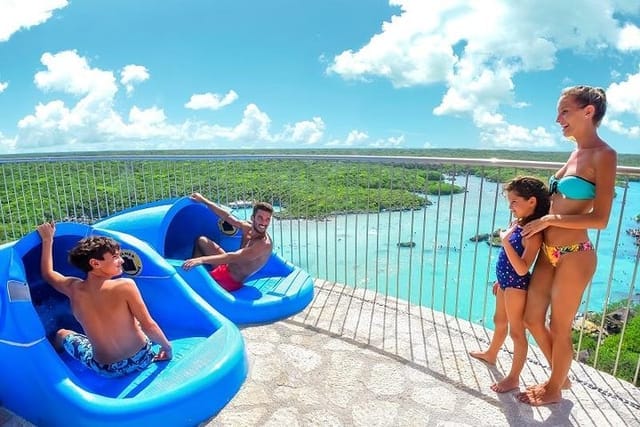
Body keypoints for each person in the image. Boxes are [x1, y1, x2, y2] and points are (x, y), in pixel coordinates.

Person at [517, 85, 617, 406]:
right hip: (548, 253)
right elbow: (556, 201)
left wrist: (549, 220)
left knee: (559, 327)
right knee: (532, 318)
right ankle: (562, 375)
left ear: (588, 112)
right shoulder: (575, 152)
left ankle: (554, 387)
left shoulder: (605, 155)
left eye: (564, 112)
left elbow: (600, 219)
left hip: (575, 255)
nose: (557, 119)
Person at [37, 221, 172, 378]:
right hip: (142, 358)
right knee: (136, 321)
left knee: (61, 334)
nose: (121, 260)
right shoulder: (125, 285)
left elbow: (48, 274)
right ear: (95, 263)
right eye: (115, 257)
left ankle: (50, 368)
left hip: (107, 369)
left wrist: (47, 240)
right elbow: (149, 325)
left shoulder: (73, 288)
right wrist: (167, 348)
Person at [469, 176, 550, 393]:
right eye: (509, 202)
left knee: (516, 333)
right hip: (505, 282)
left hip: (516, 286)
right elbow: (508, 259)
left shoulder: (532, 233)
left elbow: (523, 268)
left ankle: (513, 378)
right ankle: (491, 353)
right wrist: (500, 279)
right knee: (499, 320)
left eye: (514, 201)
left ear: (531, 201)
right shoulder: (518, 223)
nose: (510, 206)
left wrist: (505, 241)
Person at [181, 193, 274, 291]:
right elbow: (227, 216)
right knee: (201, 241)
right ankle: (195, 271)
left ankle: (195, 275)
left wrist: (200, 260)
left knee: (193, 285)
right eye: (260, 217)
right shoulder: (247, 227)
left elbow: (232, 257)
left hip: (230, 280)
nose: (264, 222)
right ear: (252, 218)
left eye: (267, 219)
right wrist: (203, 200)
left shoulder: (263, 244)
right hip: (226, 267)